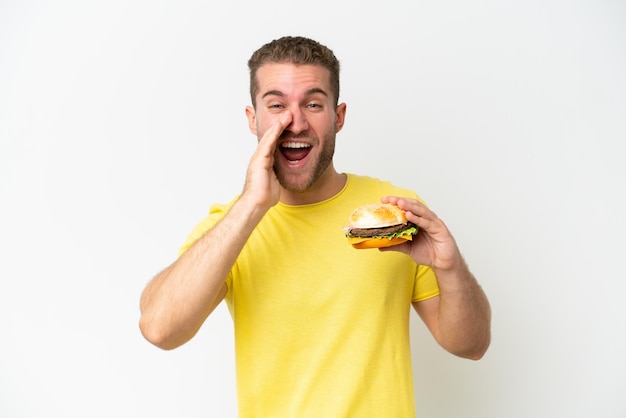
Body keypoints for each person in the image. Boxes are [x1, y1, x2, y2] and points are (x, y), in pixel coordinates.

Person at [139, 36, 491, 417]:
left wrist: (450, 267)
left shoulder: (393, 212)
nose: (294, 122)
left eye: (312, 103)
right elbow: (160, 329)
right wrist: (251, 205)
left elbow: (470, 344)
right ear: (252, 119)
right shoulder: (230, 227)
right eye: (276, 105)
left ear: (338, 116)